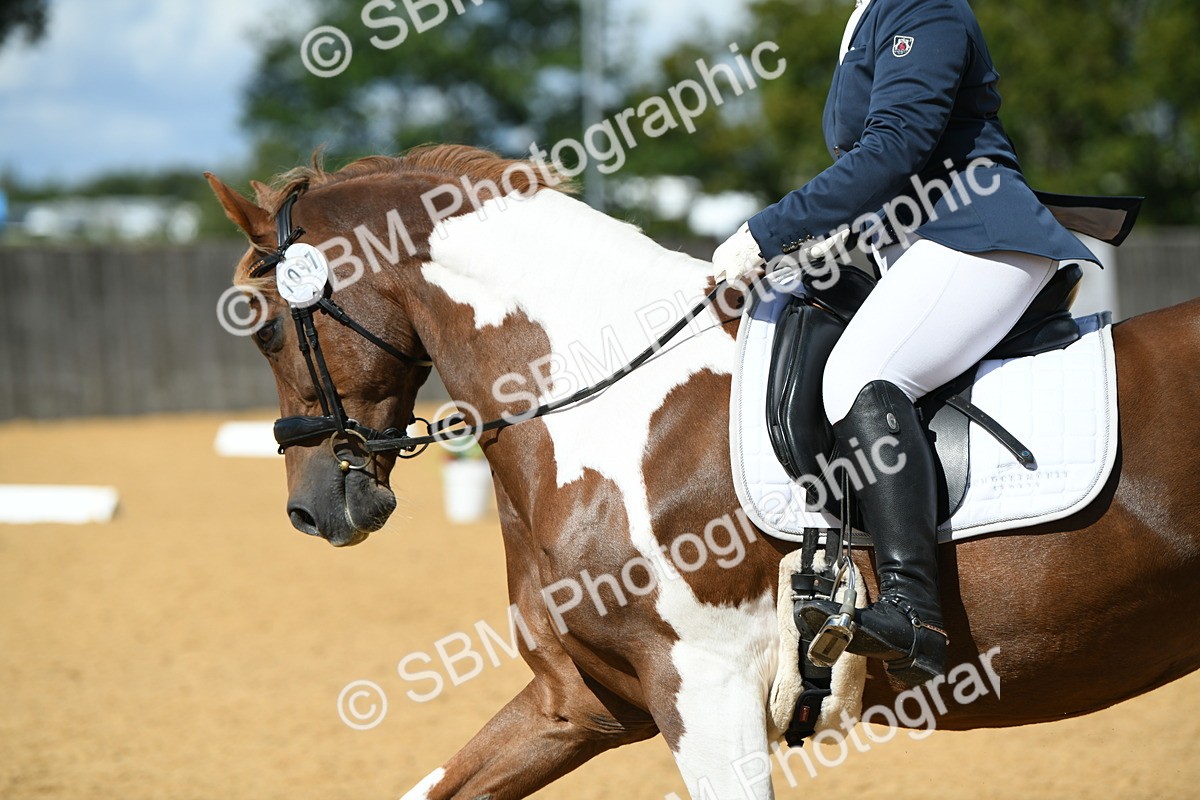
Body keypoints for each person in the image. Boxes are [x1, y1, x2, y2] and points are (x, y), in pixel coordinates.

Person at [711, 0, 1100, 688]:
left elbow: (894, 147)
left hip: (976, 234)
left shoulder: (923, 5)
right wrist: (826, 240)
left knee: (860, 375)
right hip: (924, 240)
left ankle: (913, 608)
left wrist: (766, 231)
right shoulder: (871, 14)